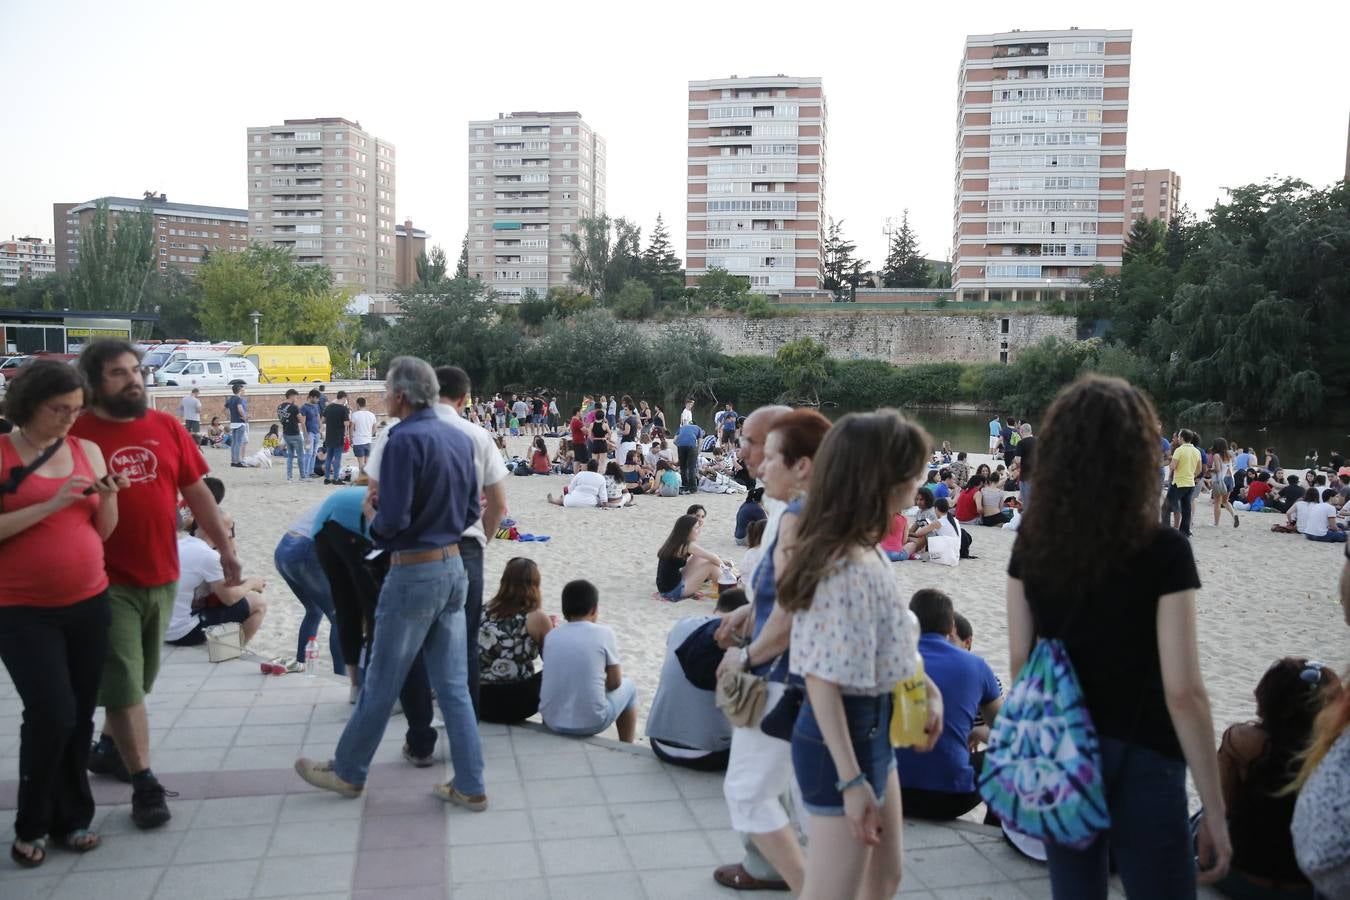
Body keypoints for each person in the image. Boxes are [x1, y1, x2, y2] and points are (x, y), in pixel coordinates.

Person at [1006, 374, 1231, 896]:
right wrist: (1215, 810)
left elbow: (1022, 661)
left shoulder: (1031, 548)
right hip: (1145, 747)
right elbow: (1184, 690)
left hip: (1065, 743)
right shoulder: (1164, 551)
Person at [294, 356, 486, 812]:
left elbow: (392, 520)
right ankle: (471, 782)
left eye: (385, 391)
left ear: (401, 395)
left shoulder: (401, 439)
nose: (383, 398)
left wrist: (373, 514)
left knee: (381, 679)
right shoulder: (461, 437)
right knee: (454, 685)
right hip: (454, 565)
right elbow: (474, 512)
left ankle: (348, 771)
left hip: (414, 571)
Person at [73, 340, 239, 830]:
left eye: (135, 370)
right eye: (118, 373)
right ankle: (144, 782)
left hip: (161, 574)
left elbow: (198, 494)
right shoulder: (77, 433)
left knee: (138, 680)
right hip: (103, 579)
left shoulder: (166, 427)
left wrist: (226, 550)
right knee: (126, 685)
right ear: (94, 382)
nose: (134, 380)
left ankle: (107, 748)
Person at [775, 410, 939, 900]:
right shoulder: (845, 563)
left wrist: (925, 689)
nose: (922, 478)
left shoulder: (861, 548)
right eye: (915, 468)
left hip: (871, 725)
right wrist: (850, 780)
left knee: (885, 876)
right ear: (883, 477)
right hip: (843, 737)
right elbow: (823, 679)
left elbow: (885, 641)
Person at [0, 360, 126, 866]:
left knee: (78, 717)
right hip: (21, 609)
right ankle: (32, 821)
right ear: (30, 403)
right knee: (51, 712)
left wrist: (110, 498)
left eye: (76, 410)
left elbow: (103, 531)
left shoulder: (86, 450)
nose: (70, 420)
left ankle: (73, 817)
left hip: (88, 601)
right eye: (60, 410)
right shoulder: (4, 453)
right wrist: (50, 504)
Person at [713, 407, 832, 895]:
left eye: (753, 443)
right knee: (805, 795)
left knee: (747, 791)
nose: (746, 455)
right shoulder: (803, 509)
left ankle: (806, 886)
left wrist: (746, 657)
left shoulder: (797, 518)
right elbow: (782, 597)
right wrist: (748, 613)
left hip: (782, 675)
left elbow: (790, 613)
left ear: (795, 459)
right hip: (804, 677)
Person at [366, 364, 508, 718]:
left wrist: (378, 527)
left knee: (409, 646)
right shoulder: (474, 434)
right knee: (465, 645)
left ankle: (420, 735)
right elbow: (498, 504)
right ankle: (466, 730)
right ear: (463, 398)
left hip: (412, 548)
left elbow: (375, 493)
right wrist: (481, 540)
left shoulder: (395, 433)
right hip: (466, 544)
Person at [1191, 658, 1340, 898]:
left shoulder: (1242, 741)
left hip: (1237, 877)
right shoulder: (1336, 758)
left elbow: (1222, 808)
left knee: (1202, 816)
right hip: (1305, 889)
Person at [895, 589, 1001, 821]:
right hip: (950, 799)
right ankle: (994, 830)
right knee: (1006, 755)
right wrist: (974, 730)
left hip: (890, 793)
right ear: (951, 626)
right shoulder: (976, 665)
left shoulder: (890, 660)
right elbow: (1005, 730)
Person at [647, 588, 750, 771]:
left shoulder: (683, 625)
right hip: (708, 753)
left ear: (715, 609)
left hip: (659, 743)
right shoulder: (738, 640)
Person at [165, 486, 268, 648]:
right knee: (258, 603)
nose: (229, 535)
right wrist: (252, 583)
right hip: (180, 632)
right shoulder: (208, 556)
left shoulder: (181, 544)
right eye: (228, 530)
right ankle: (232, 652)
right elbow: (229, 598)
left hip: (162, 627)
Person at [539, 579, 637, 741]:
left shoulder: (552, 636)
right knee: (630, 688)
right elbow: (615, 683)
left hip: (551, 721)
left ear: (564, 610)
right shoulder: (604, 633)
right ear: (594, 609)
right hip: (591, 723)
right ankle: (627, 745)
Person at [272, 498, 349, 685]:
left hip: (285, 548)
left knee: (314, 610)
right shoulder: (372, 501)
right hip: (306, 551)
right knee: (339, 616)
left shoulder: (347, 496)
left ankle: (301, 665)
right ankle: (342, 679)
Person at [478, 558, 553, 724]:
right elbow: (552, 661)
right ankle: (550, 724)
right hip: (515, 705)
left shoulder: (483, 609)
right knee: (557, 669)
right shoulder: (537, 617)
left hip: (477, 700)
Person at [654, 513, 725, 601]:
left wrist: (721, 561)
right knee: (711, 566)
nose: (699, 530)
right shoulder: (686, 545)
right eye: (696, 528)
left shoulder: (675, 541)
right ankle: (729, 589)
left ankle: (724, 582)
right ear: (687, 530)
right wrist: (726, 569)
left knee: (700, 558)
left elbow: (708, 556)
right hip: (673, 592)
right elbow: (712, 557)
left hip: (666, 588)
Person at [1165, 428, 1204, 536]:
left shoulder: (1179, 450)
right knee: (1186, 508)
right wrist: (1192, 475)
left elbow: (1173, 466)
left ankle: (1165, 530)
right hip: (1190, 483)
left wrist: (1172, 460)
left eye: (1178, 436)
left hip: (1178, 483)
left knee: (1166, 507)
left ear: (1182, 438)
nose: (1177, 438)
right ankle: (1185, 531)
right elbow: (1199, 469)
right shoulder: (1197, 451)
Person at [1208, 438, 1240, 528]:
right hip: (1230, 479)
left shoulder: (1216, 455)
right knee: (1225, 501)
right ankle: (1234, 515)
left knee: (1217, 502)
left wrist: (1209, 469)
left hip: (1220, 480)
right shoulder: (1229, 454)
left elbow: (1218, 469)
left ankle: (1216, 523)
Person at [321, 391, 350, 484]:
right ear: (344, 397)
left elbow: (323, 420)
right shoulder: (344, 409)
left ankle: (327, 478)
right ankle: (336, 479)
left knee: (329, 457)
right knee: (337, 458)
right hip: (338, 435)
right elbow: (346, 423)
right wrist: (346, 433)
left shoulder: (329, 407)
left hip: (329, 435)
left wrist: (330, 423)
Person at [277, 389, 305, 482]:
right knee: (300, 456)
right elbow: (301, 420)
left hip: (286, 433)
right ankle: (302, 476)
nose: (296, 398)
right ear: (292, 396)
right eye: (296, 396)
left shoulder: (280, 407)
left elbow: (282, 419)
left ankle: (289, 477)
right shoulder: (294, 407)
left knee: (290, 456)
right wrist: (306, 434)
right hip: (295, 433)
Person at [674, 418, 703, 494]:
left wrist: (680, 446)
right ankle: (693, 488)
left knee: (683, 467)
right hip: (691, 446)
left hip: (680, 446)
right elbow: (700, 442)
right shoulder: (698, 428)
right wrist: (697, 451)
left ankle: (685, 485)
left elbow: (674, 441)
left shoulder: (681, 427)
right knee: (691, 467)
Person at [224, 382, 249, 467]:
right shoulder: (239, 399)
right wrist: (244, 417)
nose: (243, 391)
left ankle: (233, 461)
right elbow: (240, 409)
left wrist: (229, 416)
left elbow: (225, 409)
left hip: (233, 423)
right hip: (239, 423)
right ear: (239, 390)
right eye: (242, 390)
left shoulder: (230, 399)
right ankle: (237, 461)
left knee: (234, 443)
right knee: (238, 443)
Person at [349, 397, 376, 474]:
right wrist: (369, 435)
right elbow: (375, 429)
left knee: (361, 463)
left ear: (357, 404)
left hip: (358, 441)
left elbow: (351, 429)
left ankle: (362, 479)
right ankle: (367, 478)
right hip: (368, 441)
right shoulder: (372, 415)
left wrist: (351, 439)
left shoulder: (355, 415)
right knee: (367, 463)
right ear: (365, 404)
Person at [299, 389, 322, 479]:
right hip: (310, 433)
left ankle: (311, 472)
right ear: (311, 397)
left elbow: (318, 418)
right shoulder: (304, 408)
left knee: (314, 453)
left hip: (316, 432)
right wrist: (306, 435)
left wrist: (320, 429)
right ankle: (304, 472)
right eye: (317, 398)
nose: (318, 400)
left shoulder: (316, 406)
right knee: (309, 453)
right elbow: (303, 422)